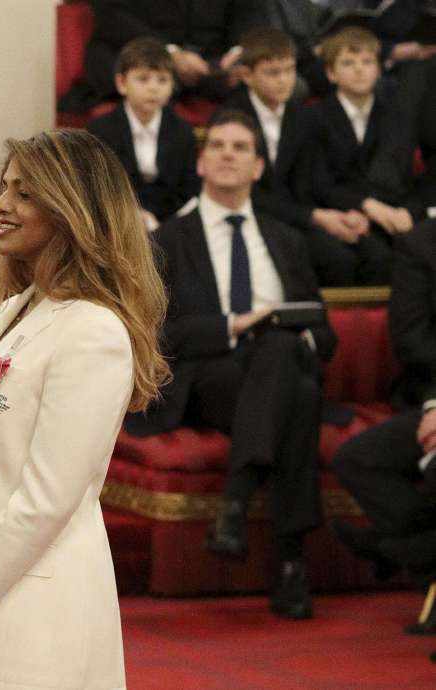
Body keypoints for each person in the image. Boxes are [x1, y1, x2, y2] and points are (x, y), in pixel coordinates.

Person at [0, 129, 169, 689]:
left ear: (71, 209)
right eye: (4, 187)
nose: (1, 204)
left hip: (32, 618)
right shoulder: (16, 308)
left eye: (24, 193)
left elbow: (46, 501)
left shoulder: (93, 331)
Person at [125, 110, 337, 619]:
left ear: (258, 167)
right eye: (216, 145)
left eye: (240, 147)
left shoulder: (286, 238)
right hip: (211, 377)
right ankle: (290, 561)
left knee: (288, 357)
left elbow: (324, 330)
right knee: (298, 394)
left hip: (275, 372)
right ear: (200, 162)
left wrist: (293, 331)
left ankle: (236, 507)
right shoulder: (169, 240)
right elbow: (155, 332)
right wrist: (235, 325)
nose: (227, 154)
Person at [222, 26, 375, 286]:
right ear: (247, 75)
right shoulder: (232, 118)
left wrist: (342, 214)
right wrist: (314, 217)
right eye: (272, 72)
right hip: (248, 216)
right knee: (332, 258)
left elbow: (313, 182)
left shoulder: (301, 117)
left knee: (366, 254)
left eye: (289, 70)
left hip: (295, 216)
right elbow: (242, 192)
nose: (283, 80)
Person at [333, 220, 436, 589]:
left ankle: (402, 549)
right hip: (430, 395)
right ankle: (418, 548)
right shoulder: (422, 242)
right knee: (357, 459)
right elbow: (413, 340)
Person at [311, 25, 423, 283]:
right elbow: (320, 183)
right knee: (375, 257)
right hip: (341, 213)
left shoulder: (395, 116)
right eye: (348, 63)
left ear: (378, 69)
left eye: (367, 61)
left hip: (390, 212)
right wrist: (366, 206)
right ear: (331, 73)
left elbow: (403, 178)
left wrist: (407, 211)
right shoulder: (315, 118)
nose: (359, 69)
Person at [87, 36, 201, 230]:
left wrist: (163, 223)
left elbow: (189, 189)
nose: (154, 87)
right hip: (117, 221)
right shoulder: (101, 129)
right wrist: (132, 215)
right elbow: (98, 186)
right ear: (122, 83)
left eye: (163, 80)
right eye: (143, 79)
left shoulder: (182, 131)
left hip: (170, 223)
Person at [62, 0, 264, 110]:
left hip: (213, 61)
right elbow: (112, 16)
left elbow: (251, 10)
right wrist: (170, 53)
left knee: (265, 81)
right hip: (143, 51)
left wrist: (238, 51)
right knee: (147, 80)